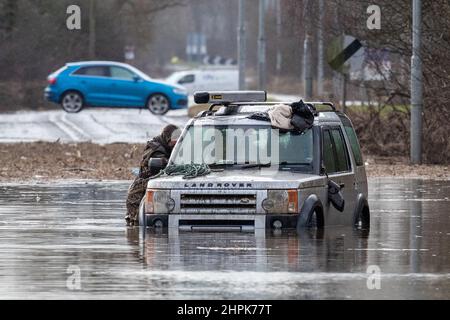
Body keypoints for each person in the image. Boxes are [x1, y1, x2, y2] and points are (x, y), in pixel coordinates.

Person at [125, 124, 180, 226]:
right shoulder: (155, 150)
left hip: (150, 193)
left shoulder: (169, 147)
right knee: (137, 226)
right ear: (167, 137)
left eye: (178, 139)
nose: (176, 142)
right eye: (174, 139)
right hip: (138, 195)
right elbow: (165, 166)